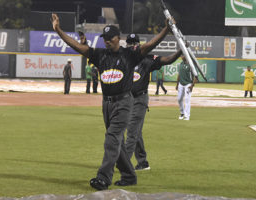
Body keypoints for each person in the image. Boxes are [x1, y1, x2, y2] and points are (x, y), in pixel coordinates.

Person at [51, 13, 171, 190]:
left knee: (111, 139)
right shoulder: (99, 55)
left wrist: (167, 30)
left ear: (118, 38)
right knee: (117, 143)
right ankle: (129, 175)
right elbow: (76, 46)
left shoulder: (130, 55)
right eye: (104, 38)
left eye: (110, 38)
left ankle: (103, 178)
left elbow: (150, 45)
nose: (106, 40)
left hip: (123, 103)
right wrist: (58, 30)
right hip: (106, 104)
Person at [124, 33, 183, 171]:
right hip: (126, 99)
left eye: (134, 43)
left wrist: (180, 50)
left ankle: (124, 164)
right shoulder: (123, 59)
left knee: (131, 131)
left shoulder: (146, 59)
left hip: (140, 99)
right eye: (129, 43)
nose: (132, 45)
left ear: (139, 44)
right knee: (136, 131)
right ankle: (143, 162)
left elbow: (167, 60)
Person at [176, 55, 198, 121]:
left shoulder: (191, 65)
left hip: (188, 84)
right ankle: (182, 113)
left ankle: (187, 115)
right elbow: (179, 75)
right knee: (179, 99)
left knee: (187, 100)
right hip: (181, 84)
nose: (181, 56)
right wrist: (177, 84)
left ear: (186, 56)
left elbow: (196, 76)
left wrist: (192, 86)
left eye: (182, 55)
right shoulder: (181, 64)